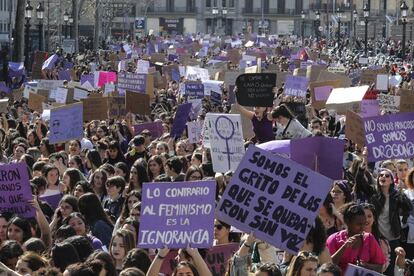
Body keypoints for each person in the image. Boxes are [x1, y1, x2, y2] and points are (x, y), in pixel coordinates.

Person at [370, 168, 412, 275]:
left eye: (387, 175)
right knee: (378, 268)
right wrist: (361, 168)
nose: (383, 177)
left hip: (393, 238)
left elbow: (408, 207)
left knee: (390, 269)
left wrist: (403, 221)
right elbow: (361, 182)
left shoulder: (396, 196)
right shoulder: (374, 195)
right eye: (381, 175)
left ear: (392, 181)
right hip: (377, 238)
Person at [326, 203, 385, 273]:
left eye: (364, 223)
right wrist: (344, 247)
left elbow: (380, 267)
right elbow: (327, 267)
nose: (362, 228)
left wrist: (365, 266)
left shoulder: (369, 238)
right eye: (358, 224)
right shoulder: (333, 239)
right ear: (347, 222)